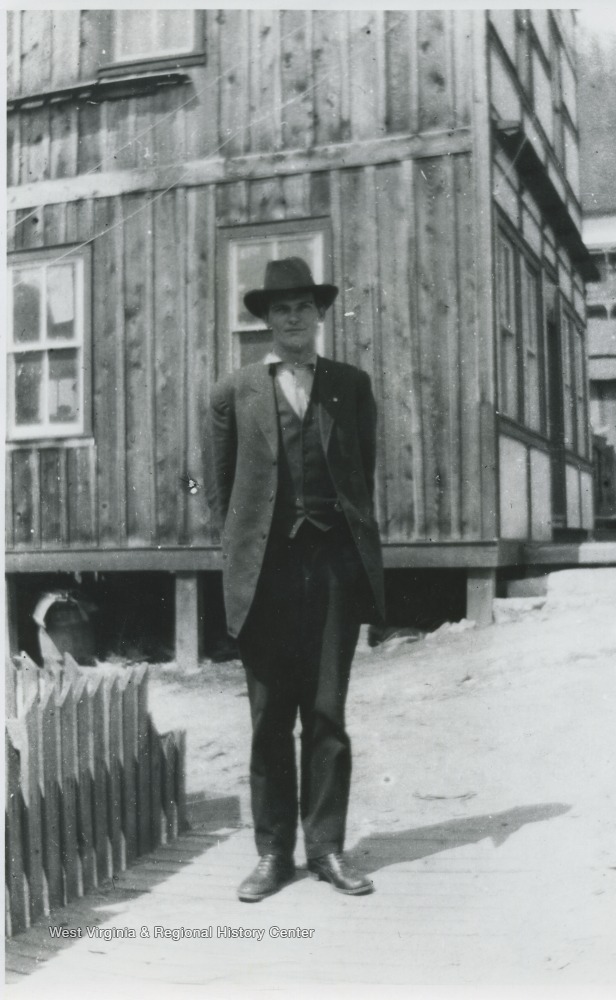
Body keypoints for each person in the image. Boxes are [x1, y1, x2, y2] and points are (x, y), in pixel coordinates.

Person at [208, 257, 385, 901]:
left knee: (327, 712)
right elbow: (221, 493)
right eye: (280, 309)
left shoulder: (350, 385)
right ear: (266, 320)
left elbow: (360, 473)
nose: (293, 318)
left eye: (303, 307)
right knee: (269, 718)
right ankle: (272, 852)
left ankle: (327, 848)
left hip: (333, 567)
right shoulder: (233, 393)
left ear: (319, 314)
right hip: (266, 573)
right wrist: (245, 558)